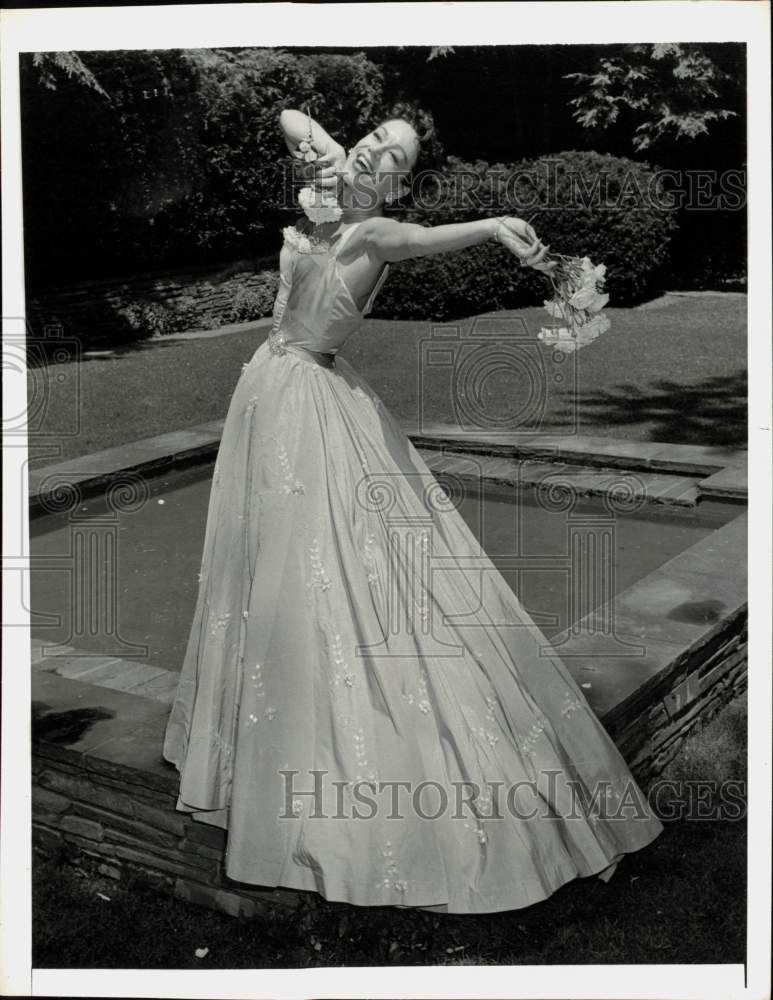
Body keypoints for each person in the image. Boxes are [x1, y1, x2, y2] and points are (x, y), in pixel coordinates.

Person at [162, 110, 662, 914]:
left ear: (398, 185)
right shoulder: (326, 210)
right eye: (369, 140)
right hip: (275, 389)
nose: (368, 153)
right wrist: (333, 154)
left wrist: (495, 224)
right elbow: (291, 118)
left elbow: (419, 242)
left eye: (389, 156)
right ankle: (252, 736)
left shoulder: (374, 234)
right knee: (266, 558)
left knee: (321, 563)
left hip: (305, 396)